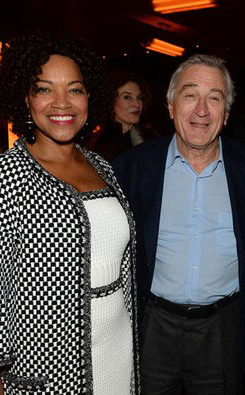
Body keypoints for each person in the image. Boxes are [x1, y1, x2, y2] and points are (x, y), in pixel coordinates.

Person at [113, 54, 245, 394]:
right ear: (170, 106)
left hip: (222, 329)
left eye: (214, 98)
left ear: (226, 114)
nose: (202, 110)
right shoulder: (131, 170)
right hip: (152, 325)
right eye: (190, 95)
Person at [0, 32, 140, 394]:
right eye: (45, 89)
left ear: (89, 97)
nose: (62, 103)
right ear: (26, 98)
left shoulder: (101, 165)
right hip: (47, 363)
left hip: (118, 344)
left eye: (74, 89)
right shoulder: (8, 174)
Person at [88, 71, 157, 160]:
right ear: (112, 101)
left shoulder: (149, 137)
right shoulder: (100, 144)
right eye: (127, 97)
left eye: (139, 98)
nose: (137, 104)